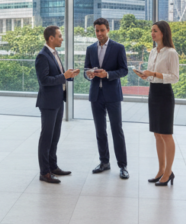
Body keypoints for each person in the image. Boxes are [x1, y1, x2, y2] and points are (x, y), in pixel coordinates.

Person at [83, 18, 129, 179]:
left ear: (108, 29)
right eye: (97, 30)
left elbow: (124, 70)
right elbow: (85, 70)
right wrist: (88, 74)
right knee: (100, 131)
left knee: (117, 130)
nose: (99, 33)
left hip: (113, 95)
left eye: (102, 30)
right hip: (96, 95)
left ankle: (123, 166)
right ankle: (104, 162)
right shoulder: (90, 49)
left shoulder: (118, 48)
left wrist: (107, 74)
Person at [135, 21, 179, 187]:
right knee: (157, 133)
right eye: (151, 31)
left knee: (166, 134)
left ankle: (168, 172)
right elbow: (152, 74)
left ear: (163, 33)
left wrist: (153, 73)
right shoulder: (153, 51)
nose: (152, 33)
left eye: (155, 31)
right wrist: (146, 75)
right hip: (153, 92)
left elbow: (174, 77)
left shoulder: (171, 53)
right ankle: (161, 170)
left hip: (165, 94)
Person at [35, 25, 80, 184]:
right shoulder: (42, 56)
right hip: (48, 103)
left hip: (58, 100)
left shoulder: (54, 54)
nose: (62, 38)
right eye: (60, 36)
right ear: (51, 38)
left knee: (55, 136)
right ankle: (44, 172)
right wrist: (63, 76)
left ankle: (53, 166)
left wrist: (69, 75)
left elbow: (57, 76)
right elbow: (44, 81)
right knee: (46, 137)